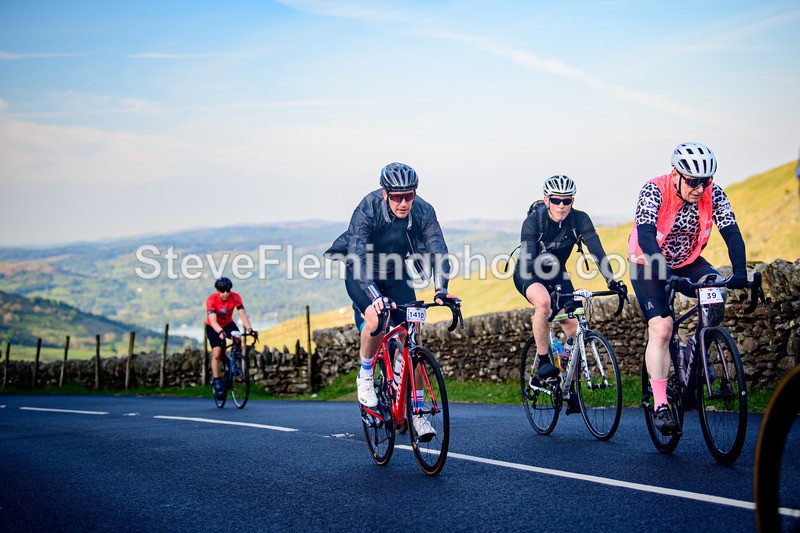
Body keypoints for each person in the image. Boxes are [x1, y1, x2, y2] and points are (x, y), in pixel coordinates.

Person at [325, 162, 458, 439]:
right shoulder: (368, 208)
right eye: (397, 197)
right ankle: (365, 375)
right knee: (376, 320)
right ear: (385, 194)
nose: (404, 203)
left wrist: (441, 288)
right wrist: (376, 297)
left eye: (409, 196)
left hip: (396, 273)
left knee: (413, 339)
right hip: (362, 273)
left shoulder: (423, 210)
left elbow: (438, 250)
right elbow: (357, 256)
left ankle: (417, 413)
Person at [628, 141, 748, 435]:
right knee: (662, 328)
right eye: (693, 181)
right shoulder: (654, 190)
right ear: (676, 174)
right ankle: (661, 404)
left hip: (688, 261)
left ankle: (694, 353)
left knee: (716, 293)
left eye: (705, 181)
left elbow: (731, 232)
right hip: (648, 263)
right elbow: (646, 235)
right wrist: (666, 273)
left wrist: (741, 272)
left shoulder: (713, 193)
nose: (700, 188)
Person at [514, 175, 626, 414]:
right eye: (556, 200)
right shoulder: (533, 222)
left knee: (575, 329)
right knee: (544, 303)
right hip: (529, 272)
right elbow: (528, 258)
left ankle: (569, 386)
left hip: (558, 275)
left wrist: (611, 280)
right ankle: (544, 361)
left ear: (572, 201)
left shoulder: (580, 219)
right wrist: (549, 286)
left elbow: (597, 251)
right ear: (547, 200)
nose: (561, 205)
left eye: (566, 200)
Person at [205, 277, 255, 400]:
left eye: (228, 291)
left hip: (228, 324)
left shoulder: (236, 297)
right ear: (217, 291)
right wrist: (220, 331)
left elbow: (242, 314)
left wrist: (250, 329)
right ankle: (217, 382)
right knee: (217, 353)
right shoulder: (211, 300)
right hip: (213, 326)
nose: (226, 294)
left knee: (238, 338)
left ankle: (235, 363)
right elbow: (212, 320)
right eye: (222, 291)